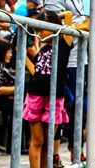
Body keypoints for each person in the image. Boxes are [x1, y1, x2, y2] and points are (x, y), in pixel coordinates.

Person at [43, 0, 88, 161]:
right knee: (66, 108)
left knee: (82, 108)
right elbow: (52, 28)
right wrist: (85, 26)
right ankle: (58, 155)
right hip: (67, 61)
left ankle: (75, 152)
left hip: (81, 58)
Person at [23, 11, 70, 168]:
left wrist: (48, 16)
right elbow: (37, 70)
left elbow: (68, 15)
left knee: (48, 142)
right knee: (37, 140)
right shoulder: (42, 48)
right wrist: (23, 57)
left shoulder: (64, 42)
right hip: (35, 94)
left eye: (42, 29)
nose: (39, 33)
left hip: (54, 96)